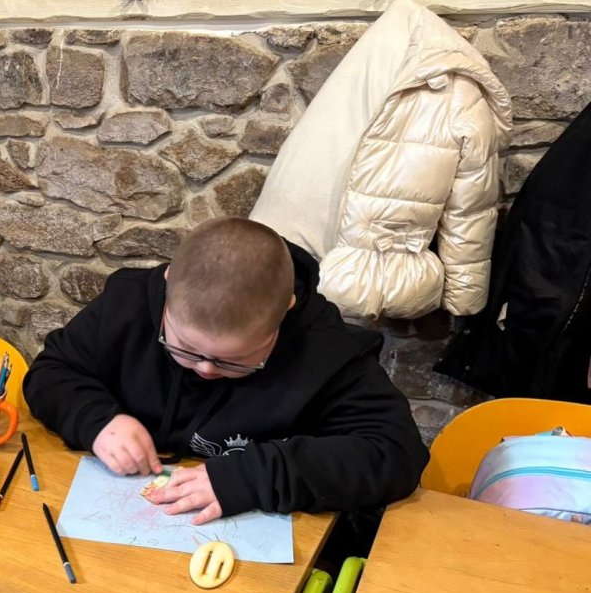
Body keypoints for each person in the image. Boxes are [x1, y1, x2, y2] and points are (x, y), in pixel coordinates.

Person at [23, 217, 428, 524]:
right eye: (183, 348)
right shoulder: (126, 304)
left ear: (285, 311)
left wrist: (254, 476)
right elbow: (51, 371)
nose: (205, 369)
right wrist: (96, 420)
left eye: (234, 360)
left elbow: (395, 452)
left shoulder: (325, 349)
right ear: (168, 286)